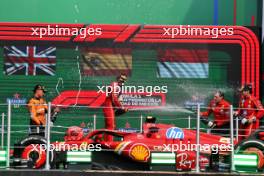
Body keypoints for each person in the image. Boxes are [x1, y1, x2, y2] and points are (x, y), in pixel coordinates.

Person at [102, 74, 128, 141]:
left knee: (109, 126)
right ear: (118, 78)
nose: (123, 81)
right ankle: (109, 143)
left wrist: (123, 109)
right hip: (108, 105)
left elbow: (118, 100)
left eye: (125, 80)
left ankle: (104, 141)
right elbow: (114, 98)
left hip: (111, 106)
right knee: (111, 126)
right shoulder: (115, 84)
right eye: (122, 78)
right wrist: (121, 107)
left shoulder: (119, 87)